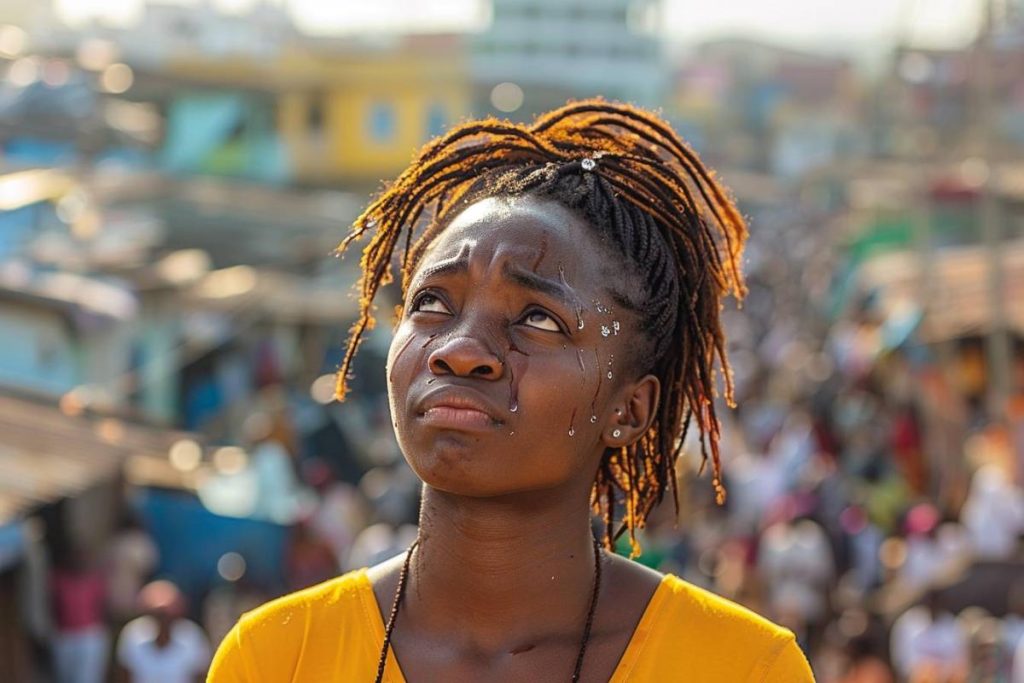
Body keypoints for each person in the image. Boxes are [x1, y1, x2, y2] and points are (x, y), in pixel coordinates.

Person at [209, 99, 814, 681]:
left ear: (630, 408)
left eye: (539, 319)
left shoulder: (741, 668)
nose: (460, 350)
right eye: (432, 303)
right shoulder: (275, 658)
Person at [115, 580, 210, 683]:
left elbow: (201, 677)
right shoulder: (132, 633)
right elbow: (124, 675)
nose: (163, 619)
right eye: (158, 613)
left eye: (167, 613)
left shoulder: (193, 636)